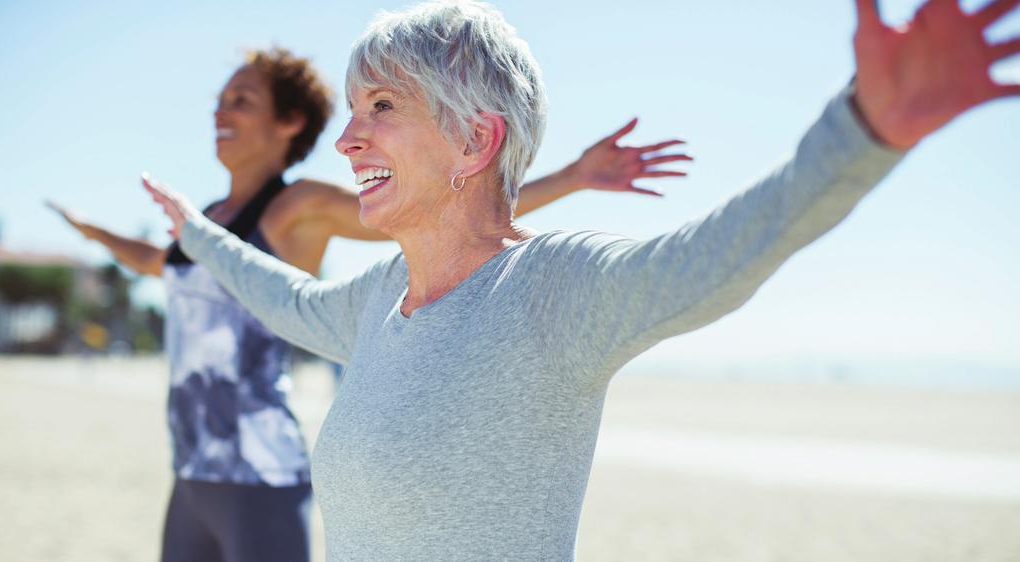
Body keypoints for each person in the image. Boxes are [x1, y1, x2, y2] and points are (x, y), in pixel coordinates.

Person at [144, 0, 1019, 559]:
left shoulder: (554, 291)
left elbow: (722, 254)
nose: (348, 139)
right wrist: (196, 230)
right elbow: (282, 296)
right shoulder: (377, 302)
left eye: (382, 107)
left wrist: (864, 132)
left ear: (474, 143)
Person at [51, 45, 689, 562]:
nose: (222, 110)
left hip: (260, 462)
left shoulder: (299, 204)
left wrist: (572, 177)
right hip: (191, 455)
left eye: (241, 100)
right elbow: (154, 261)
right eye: (219, 100)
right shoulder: (208, 219)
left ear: (289, 122)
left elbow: (443, 203)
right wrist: (91, 231)